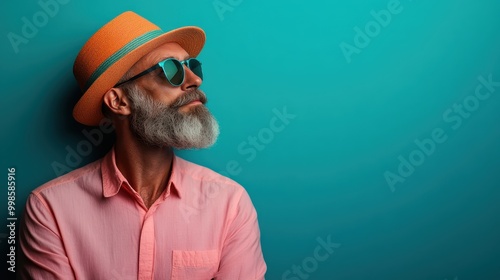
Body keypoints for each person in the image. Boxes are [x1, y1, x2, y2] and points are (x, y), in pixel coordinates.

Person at [18, 11, 266, 280]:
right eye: (170, 69)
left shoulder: (229, 204)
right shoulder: (49, 210)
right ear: (119, 102)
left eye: (192, 66)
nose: (195, 81)